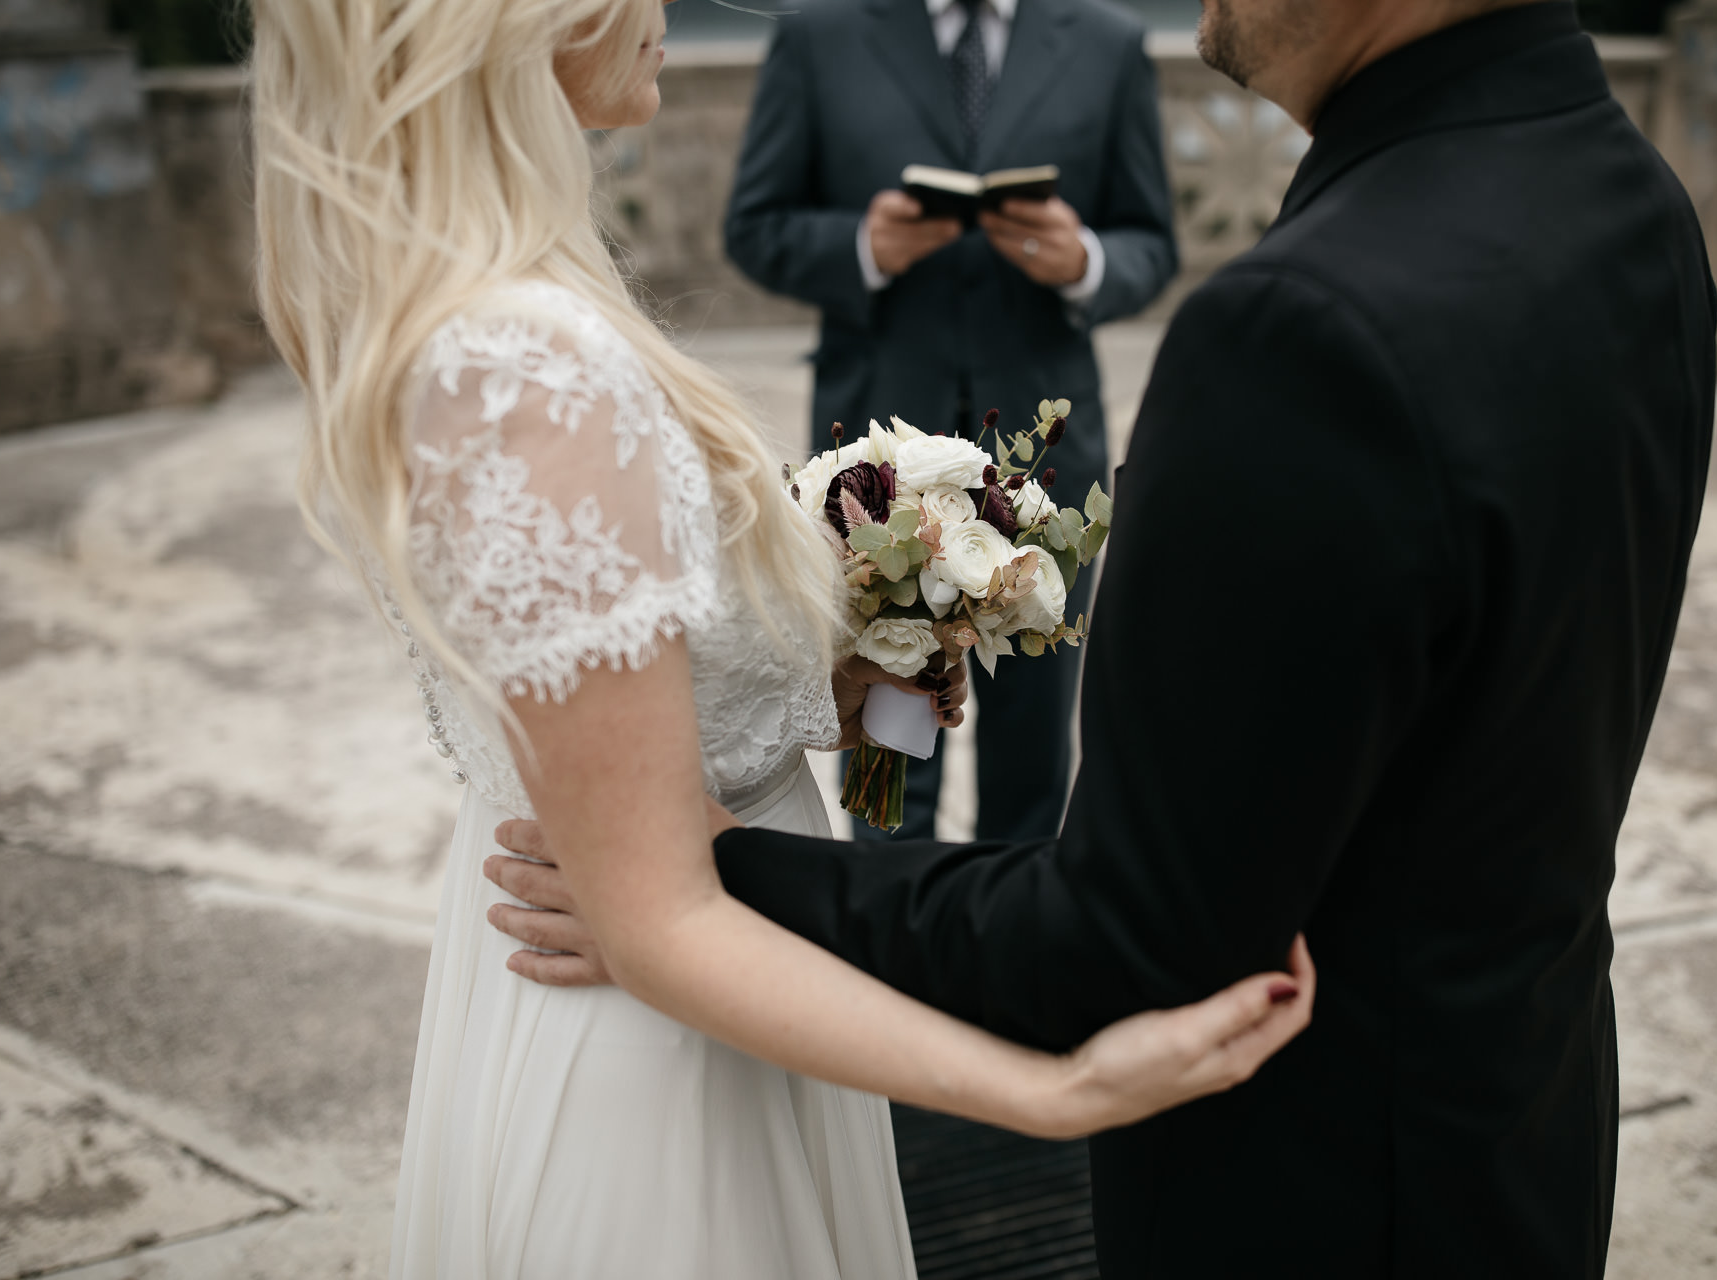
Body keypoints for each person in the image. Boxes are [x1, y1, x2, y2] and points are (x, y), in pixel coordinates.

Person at [486, 0, 1717, 1274]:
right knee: (897, 785)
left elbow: (1124, 935)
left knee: (1032, 772)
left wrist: (711, 880)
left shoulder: (1302, 330)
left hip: (1323, 1185)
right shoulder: (1625, 191)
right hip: (1520, 1121)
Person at [247, 0, 1315, 1275]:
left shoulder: (477, 309)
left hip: (661, 984)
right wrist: (1059, 1087)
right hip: (659, 1040)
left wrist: (825, 677)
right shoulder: (536, 366)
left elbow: (617, 674)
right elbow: (660, 920)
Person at [724, 0, 1179, 840]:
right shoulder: (817, 36)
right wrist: (861, 248)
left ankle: (1019, 910)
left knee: (1035, 739)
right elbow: (753, 226)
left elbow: (1152, 244)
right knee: (884, 721)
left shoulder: (1109, 43)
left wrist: (1085, 262)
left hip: (1044, 454)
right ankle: (884, 910)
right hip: (873, 459)